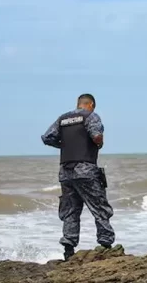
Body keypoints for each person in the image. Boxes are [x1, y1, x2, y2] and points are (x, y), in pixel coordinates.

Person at [41, 93, 115, 260]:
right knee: (99, 206)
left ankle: (68, 247)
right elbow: (96, 136)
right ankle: (105, 243)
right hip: (85, 169)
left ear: (78, 104)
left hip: (65, 171)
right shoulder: (91, 116)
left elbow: (47, 138)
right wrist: (99, 143)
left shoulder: (63, 119)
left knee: (70, 210)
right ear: (91, 105)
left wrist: (63, 145)